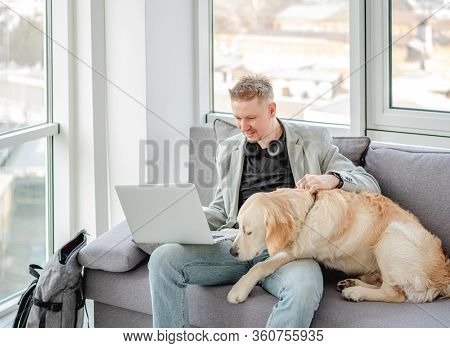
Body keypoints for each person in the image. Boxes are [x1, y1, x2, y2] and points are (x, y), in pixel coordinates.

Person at [148, 75, 380, 328]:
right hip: (235, 242)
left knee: (303, 287)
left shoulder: (313, 140)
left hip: (290, 251)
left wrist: (332, 179)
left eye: (250, 118)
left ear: (271, 109)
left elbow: (369, 184)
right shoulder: (229, 149)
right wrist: (189, 221)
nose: (243, 126)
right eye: (237, 118)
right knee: (162, 259)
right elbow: (221, 209)